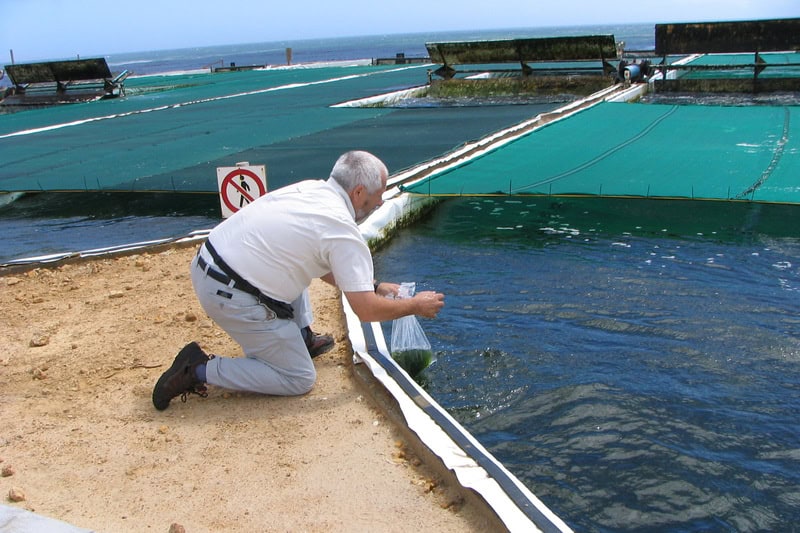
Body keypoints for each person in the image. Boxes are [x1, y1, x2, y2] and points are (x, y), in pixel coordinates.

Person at [152, 150, 445, 410]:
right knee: (299, 379)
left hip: (209, 266)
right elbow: (366, 310)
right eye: (378, 195)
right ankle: (198, 369)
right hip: (231, 295)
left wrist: (374, 285)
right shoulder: (342, 230)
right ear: (357, 193)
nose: (380, 203)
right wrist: (415, 306)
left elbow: (320, 262)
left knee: (301, 258)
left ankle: (302, 339)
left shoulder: (309, 190)